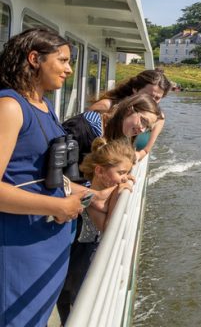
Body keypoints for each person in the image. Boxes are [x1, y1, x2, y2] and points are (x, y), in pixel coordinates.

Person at [0, 29, 87, 327]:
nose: (69, 69)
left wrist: (95, 193)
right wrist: (57, 208)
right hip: (18, 245)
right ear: (35, 58)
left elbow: (39, 175)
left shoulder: (44, 105)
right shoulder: (10, 107)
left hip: (48, 241)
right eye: (62, 60)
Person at [56, 139, 135, 324]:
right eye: (121, 173)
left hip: (82, 261)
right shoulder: (88, 195)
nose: (125, 178)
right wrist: (115, 195)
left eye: (128, 173)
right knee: (69, 304)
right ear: (99, 171)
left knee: (74, 305)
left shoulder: (91, 191)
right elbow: (107, 228)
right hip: (74, 261)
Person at [61, 93, 162, 169]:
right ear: (129, 110)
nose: (142, 129)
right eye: (143, 121)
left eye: (147, 127)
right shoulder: (81, 128)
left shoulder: (118, 135)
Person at [88, 70, 171, 161]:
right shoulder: (105, 106)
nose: (152, 101)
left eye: (157, 98)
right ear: (135, 89)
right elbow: (85, 135)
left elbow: (146, 150)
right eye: (147, 95)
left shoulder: (159, 118)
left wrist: (136, 156)